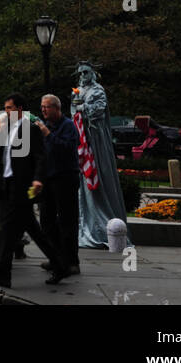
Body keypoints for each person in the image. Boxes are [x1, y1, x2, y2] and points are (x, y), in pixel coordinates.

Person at [0, 93, 66, 288]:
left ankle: (2, 275)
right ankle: (60, 265)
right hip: (10, 185)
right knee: (34, 231)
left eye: (9, 108)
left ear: (20, 109)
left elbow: (40, 157)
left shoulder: (30, 129)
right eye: (5, 108)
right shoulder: (9, 130)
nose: (6, 112)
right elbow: (1, 156)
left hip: (22, 187)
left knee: (8, 231)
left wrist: (37, 179)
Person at [71, 62, 128, 248]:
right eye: (80, 73)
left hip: (95, 139)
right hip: (81, 139)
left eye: (86, 72)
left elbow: (97, 111)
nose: (83, 75)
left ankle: (99, 226)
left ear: (92, 73)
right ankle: (83, 226)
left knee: (96, 176)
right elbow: (74, 111)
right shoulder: (78, 90)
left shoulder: (97, 90)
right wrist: (77, 108)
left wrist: (82, 109)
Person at [38, 93, 81, 278]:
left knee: (67, 221)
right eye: (42, 106)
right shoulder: (45, 126)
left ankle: (71, 262)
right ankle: (56, 257)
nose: (43, 110)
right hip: (48, 179)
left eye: (47, 106)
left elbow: (66, 148)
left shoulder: (68, 126)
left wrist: (48, 135)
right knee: (46, 221)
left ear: (57, 108)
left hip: (65, 178)